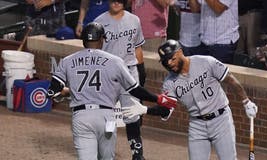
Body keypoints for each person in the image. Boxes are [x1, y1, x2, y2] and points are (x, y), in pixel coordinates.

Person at [47, 22, 176, 160]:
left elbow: (53, 91)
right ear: (101, 39)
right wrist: (158, 98)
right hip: (106, 117)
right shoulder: (114, 61)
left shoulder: (67, 61)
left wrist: (65, 93)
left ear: (83, 40)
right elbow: (135, 90)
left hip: (81, 118)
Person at [123, 39, 259, 160]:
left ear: (180, 52)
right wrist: (145, 110)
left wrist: (246, 102)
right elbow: (166, 110)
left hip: (221, 120)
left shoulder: (206, 62)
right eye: (165, 61)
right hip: (197, 125)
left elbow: (230, 80)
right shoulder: (170, 83)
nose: (169, 63)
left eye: (172, 58)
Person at [93, 1, 173, 159]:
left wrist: (141, 69)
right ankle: (104, 152)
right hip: (108, 74)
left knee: (133, 114)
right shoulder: (98, 22)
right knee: (106, 115)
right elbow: (94, 52)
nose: (116, 3)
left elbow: (137, 47)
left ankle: (138, 154)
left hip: (130, 72)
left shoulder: (134, 20)